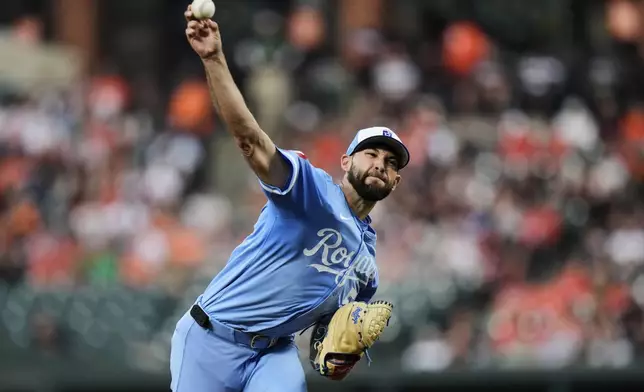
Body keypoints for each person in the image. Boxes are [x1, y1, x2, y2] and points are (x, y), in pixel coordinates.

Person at [170, 5, 410, 392]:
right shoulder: (310, 191)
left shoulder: (367, 269)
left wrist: (337, 353)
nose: (381, 164)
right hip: (210, 339)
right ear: (346, 161)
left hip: (274, 354)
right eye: (372, 153)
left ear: (396, 180)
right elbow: (251, 141)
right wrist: (214, 58)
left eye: (391, 162)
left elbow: (326, 344)